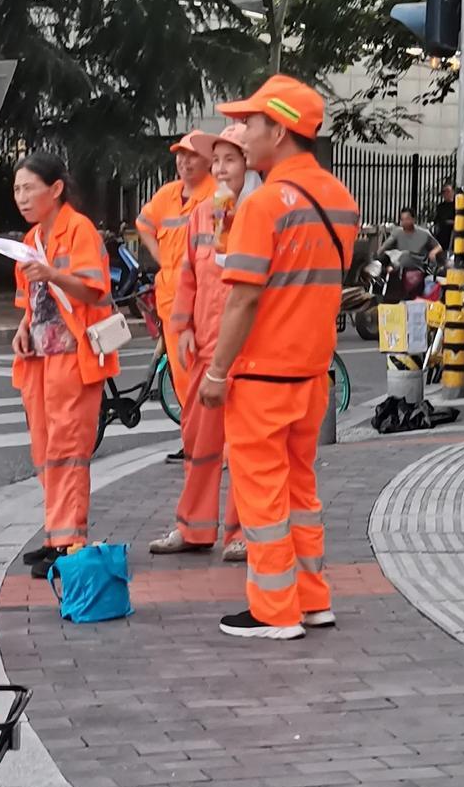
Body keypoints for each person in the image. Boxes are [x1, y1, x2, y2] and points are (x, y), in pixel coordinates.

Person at [198, 73, 359, 643]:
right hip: (312, 373)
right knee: (300, 492)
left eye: (249, 123)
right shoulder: (342, 201)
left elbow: (243, 297)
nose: (240, 134)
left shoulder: (264, 203)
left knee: (262, 495)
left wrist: (216, 373)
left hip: (261, 376)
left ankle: (274, 609)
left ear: (281, 129)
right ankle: (312, 600)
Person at [150, 123, 257, 560]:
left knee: (244, 445)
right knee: (197, 442)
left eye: (229, 159)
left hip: (247, 350)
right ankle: (193, 527)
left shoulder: (258, 211)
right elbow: (188, 276)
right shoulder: (202, 214)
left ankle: (241, 531)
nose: (220, 168)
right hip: (205, 345)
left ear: (248, 163)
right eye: (217, 161)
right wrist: (184, 328)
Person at [11, 151, 118, 572]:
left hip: (74, 355)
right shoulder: (30, 239)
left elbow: (94, 290)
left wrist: (52, 275)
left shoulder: (80, 230)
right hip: (40, 356)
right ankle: (56, 533)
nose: (20, 197)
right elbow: (30, 303)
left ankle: (69, 540)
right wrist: (23, 327)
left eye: (28, 188)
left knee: (68, 448)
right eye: (16, 189)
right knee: (46, 449)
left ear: (55, 190)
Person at [137, 132, 216, 441]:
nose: (184, 161)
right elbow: (144, 224)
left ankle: (210, 444)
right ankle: (195, 442)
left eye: (192, 155)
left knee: (204, 375)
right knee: (183, 378)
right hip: (171, 300)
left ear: (208, 161)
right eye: (180, 154)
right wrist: (162, 259)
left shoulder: (216, 196)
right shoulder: (168, 194)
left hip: (203, 301)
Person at [382, 204, 440, 282]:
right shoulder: (397, 233)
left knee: (405, 255)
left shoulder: (424, 233)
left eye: (407, 219)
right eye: (402, 219)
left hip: (418, 263)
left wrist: (433, 252)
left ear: (413, 219)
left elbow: (438, 246)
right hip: (399, 263)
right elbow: (385, 247)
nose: (404, 222)